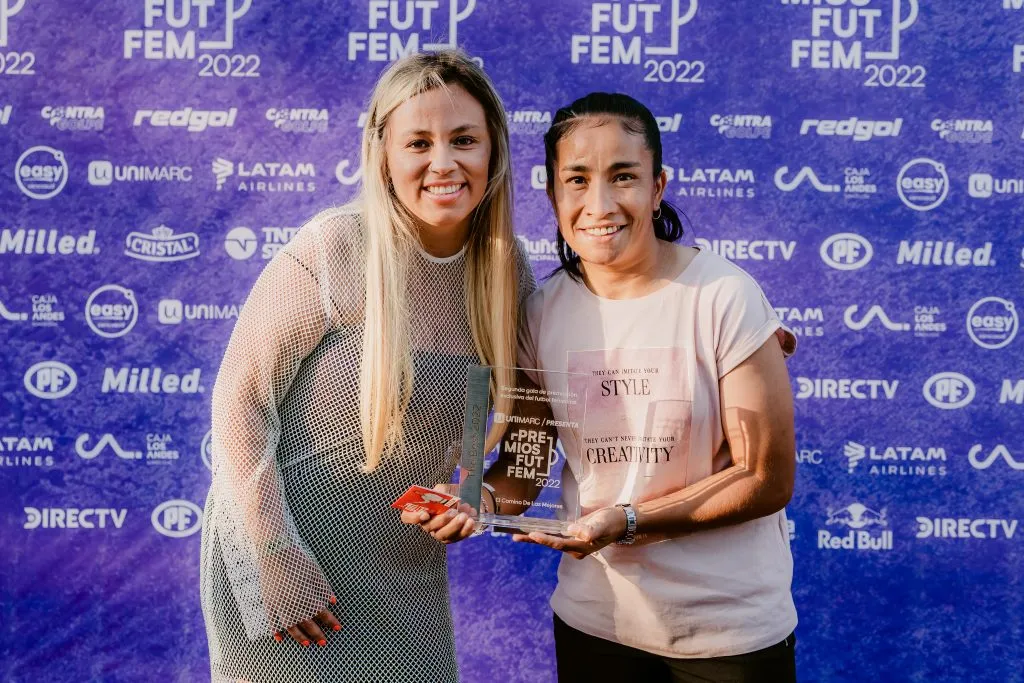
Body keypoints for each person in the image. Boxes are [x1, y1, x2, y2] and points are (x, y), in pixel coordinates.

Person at [410, 93, 798, 682]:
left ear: (658, 186)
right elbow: (525, 463)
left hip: (728, 637)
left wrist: (629, 519)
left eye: (624, 177)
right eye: (577, 179)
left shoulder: (724, 297)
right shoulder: (540, 311)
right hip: (597, 626)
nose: (600, 203)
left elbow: (766, 478)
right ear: (552, 194)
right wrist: (480, 504)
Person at [199, 50, 532, 683]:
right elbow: (239, 401)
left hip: (401, 569)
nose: (444, 162)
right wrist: (272, 554)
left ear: (494, 152)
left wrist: (473, 499)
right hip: (289, 559)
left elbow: (522, 420)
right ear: (383, 153)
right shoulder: (335, 245)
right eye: (419, 142)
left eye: (464, 139)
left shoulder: (505, 267)